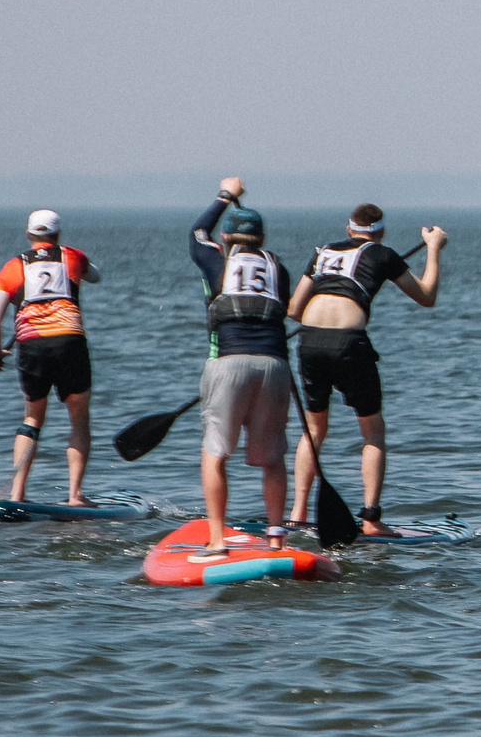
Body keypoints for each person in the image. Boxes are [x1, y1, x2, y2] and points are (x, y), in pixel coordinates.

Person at [286, 205, 446, 536]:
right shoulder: (383, 254)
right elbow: (427, 297)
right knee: (372, 432)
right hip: (349, 343)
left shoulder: (323, 253)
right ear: (380, 233)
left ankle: (298, 512)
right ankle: (371, 519)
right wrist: (432, 248)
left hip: (309, 342)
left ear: (349, 230)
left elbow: (293, 309)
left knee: (315, 429)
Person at [188, 178, 296, 553]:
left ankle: (217, 539)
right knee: (273, 457)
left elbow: (197, 231)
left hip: (228, 364)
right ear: (262, 240)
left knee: (215, 452)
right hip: (275, 366)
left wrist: (225, 195)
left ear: (228, 239)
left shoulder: (215, 258)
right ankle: (276, 538)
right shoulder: (278, 269)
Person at [0, 210, 103, 506]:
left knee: (33, 417)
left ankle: (17, 494)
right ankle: (75, 495)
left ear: (28, 236)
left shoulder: (13, 267)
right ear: (58, 235)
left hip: (31, 346)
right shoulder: (73, 257)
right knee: (78, 418)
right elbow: (96, 276)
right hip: (69, 341)